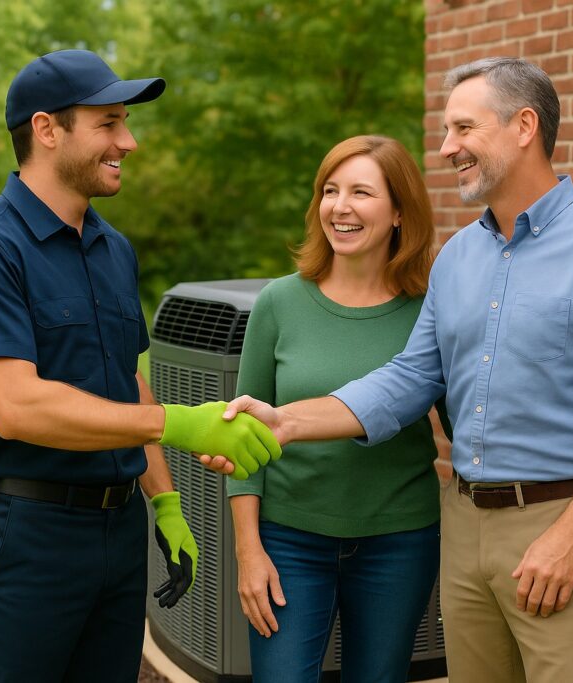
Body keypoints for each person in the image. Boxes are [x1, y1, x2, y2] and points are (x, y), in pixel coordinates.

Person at [218, 57, 573, 683]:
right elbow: (409, 379)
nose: (445, 147)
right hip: (464, 527)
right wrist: (287, 422)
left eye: (464, 129)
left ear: (524, 126)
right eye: (446, 131)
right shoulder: (459, 257)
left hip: (564, 522)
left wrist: (572, 535)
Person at [0, 49, 280, 683]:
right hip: (26, 538)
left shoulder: (113, 248)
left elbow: (127, 379)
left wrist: (166, 502)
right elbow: (16, 407)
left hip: (120, 535)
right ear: (47, 130)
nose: (130, 141)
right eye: (109, 123)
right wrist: (176, 423)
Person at [227, 135, 443, 683]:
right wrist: (249, 552)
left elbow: (466, 427)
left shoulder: (432, 311)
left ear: (399, 212)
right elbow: (242, 438)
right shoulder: (278, 303)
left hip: (399, 541)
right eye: (330, 190)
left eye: (361, 192)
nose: (339, 207)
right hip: (288, 539)